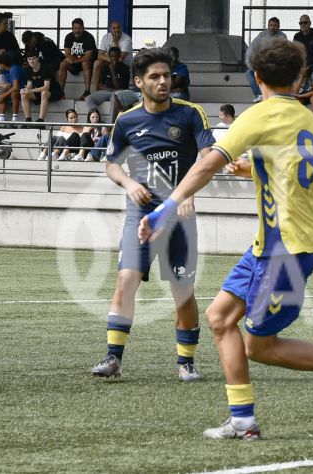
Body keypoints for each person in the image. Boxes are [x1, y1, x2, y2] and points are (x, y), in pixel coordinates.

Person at [137, 39, 313, 440]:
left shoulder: (260, 114)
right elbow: (302, 182)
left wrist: (165, 209)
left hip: (287, 247)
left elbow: (205, 164)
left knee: (259, 345)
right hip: (272, 243)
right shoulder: (312, 125)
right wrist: (253, 169)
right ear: (300, 76)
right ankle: (242, 421)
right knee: (219, 318)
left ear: (256, 77)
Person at [89, 48, 215, 382]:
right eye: (155, 77)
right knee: (126, 279)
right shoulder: (126, 120)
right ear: (139, 82)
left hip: (180, 218)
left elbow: (208, 158)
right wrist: (129, 183)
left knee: (182, 290)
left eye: (167, 76)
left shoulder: (191, 114)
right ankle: (113, 358)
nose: (163, 82)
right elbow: (112, 164)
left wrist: (185, 194)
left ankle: (186, 363)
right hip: (141, 214)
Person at [245, 17, 286, 102]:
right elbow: (252, 48)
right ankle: (260, 94)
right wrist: (250, 62)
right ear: (268, 26)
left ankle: (272, 95)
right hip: (263, 63)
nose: (272, 27)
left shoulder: (282, 37)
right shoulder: (262, 35)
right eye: (271, 25)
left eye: (275, 25)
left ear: (279, 26)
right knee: (249, 72)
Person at [20, 48, 62, 125]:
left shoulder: (46, 68)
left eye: (33, 59)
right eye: (29, 59)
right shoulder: (28, 69)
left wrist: (31, 91)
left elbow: (46, 87)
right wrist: (25, 90)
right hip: (37, 91)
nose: (31, 61)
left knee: (44, 93)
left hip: (53, 91)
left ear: (37, 58)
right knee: (23, 94)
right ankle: (28, 120)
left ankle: (41, 120)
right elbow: (29, 84)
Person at [59, 18, 97, 100]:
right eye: (75, 28)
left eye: (79, 28)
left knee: (85, 63)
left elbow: (88, 56)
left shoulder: (89, 37)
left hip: (85, 63)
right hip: (74, 62)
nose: (77, 30)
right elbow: (67, 54)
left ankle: (87, 91)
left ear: (83, 28)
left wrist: (75, 60)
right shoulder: (68, 37)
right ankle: (61, 92)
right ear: (72, 29)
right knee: (63, 64)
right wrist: (71, 60)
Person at [92, 21, 133, 93]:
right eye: (114, 28)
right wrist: (110, 59)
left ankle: (115, 90)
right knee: (97, 63)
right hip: (110, 61)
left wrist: (116, 42)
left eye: (118, 28)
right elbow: (100, 55)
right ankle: (95, 90)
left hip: (124, 65)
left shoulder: (127, 39)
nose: (116, 30)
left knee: (115, 62)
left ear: (121, 28)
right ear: (110, 29)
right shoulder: (106, 37)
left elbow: (120, 58)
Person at [0, 52, 24, 123]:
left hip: (22, 90)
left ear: (2, 64)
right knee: (1, 92)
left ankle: (15, 120)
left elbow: (16, 87)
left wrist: (3, 95)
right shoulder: (5, 69)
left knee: (11, 93)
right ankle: (1, 120)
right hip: (14, 88)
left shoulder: (14, 69)